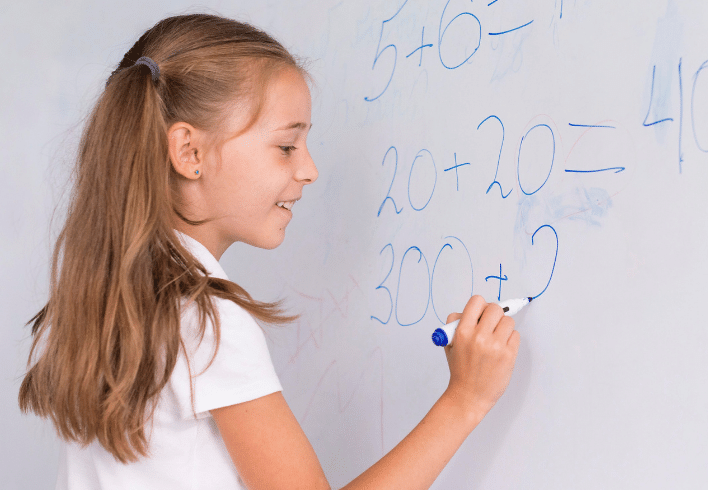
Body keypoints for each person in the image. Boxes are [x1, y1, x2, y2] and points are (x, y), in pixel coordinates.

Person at [18, 13, 520, 490]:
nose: (309, 170)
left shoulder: (102, 300)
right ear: (189, 154)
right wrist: (465, 400)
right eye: (286, 147)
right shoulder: (207, 321)